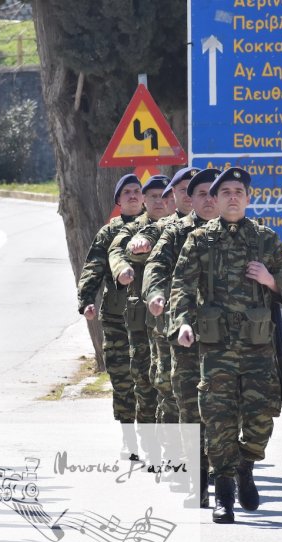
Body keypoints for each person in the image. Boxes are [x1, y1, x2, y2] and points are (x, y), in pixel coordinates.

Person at [171, 167, 282, 523]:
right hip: (215, 350)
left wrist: (271, 280)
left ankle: (246, 465)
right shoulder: (200, 240)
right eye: (224, 191)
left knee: (261, 420)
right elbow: (181, 286)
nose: (231, 196)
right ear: (214, 198)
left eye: (238, 191)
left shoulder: (264, 239)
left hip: (259, 349)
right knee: (218, 422)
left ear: (248, 197)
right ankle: (224, 494)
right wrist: (181, 322)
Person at [143, 167, 220, 506]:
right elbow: (156, 269)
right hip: (184, 331)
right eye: (198, 193)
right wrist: (156, 295)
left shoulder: (242, 233)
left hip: (228, 336)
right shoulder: (175, 233)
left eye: (210, 193)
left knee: (225, 406)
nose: (204, 199)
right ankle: (195, 474)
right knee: (184, 402)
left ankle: (228, 468)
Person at [76, 174, 141, 458]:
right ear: (118, 200)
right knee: (123, 381)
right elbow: (93, 269)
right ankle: (130, 437)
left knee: (151, 381)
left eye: (137, 191)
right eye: (127, 192)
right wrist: (86, 300)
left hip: (149, 322)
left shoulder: (156, 227)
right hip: (117, 320)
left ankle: (158, 440)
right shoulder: (109, 232)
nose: (133, 196)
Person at [128, 166, 198, 425]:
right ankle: (173, 458)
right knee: (170, 389)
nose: (191, 196)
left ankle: (213, 458)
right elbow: (141, 244)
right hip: (168, 322)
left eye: (198, 190)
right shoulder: (167, 228)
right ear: (172, 196)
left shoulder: (224, 228)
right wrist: (138, 244)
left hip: (213, 325)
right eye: (184, 190)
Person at [109, 174, 173, 431]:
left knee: (177, 386)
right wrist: (122, 268)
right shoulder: (137, 229)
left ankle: (187, 453)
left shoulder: (183, 228)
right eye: (153, 196)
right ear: (146, 200)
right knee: (145, 379)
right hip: (143, 317)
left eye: (164, 195)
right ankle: (149, 444)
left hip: (181, 318)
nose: (159, 201)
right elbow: (118, 251)